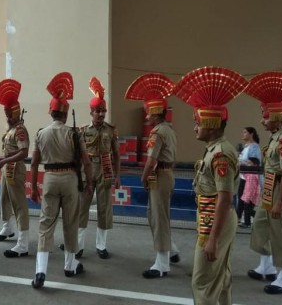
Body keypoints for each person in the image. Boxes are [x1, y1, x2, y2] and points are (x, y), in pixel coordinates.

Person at [174, 66, 247, 305]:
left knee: (203, 281)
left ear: (213, 125)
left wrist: (213, 238)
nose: (195, 127)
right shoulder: (215, 150)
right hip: (214, 217)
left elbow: (224, 199)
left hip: (215, 220)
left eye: (198, 122)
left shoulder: (221, 155)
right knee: (221, 279)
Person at [30, 72, 93, 289]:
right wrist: (90, 182)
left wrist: (33, 187)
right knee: (71, 223)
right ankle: (70, 265)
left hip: (49, 178)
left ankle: (40, 272)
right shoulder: (74, 134)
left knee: (46, 224)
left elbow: (34, 163)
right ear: (65, 115)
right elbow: (86, 162)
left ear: (51, 113)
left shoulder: (41, 133)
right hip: (70, 179)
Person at [244, 71, 282, 295]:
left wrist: (279, 201)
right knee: (261, 226)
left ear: (277, 118)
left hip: (280, 188)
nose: (262, 121)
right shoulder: (274, 138)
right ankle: (266, 266)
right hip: (269, 185)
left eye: (266, 117)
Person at [125, 73, 181, 277]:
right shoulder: (170, 130)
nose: (147, 116)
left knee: (158, 217)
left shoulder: (157, 132)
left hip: (159, 176)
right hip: (168, 174)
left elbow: (151, 159)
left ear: (156, 113)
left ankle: (162, 263)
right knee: (160, 215)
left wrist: (144, 177)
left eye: (149, 112)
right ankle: (171, 249)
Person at [71, 77, 119, 260]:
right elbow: (76, 155)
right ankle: (79, 245)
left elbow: (116, 154)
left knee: (104, 208)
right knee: (82, 207)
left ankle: (101, 246)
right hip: (87, 170)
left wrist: (118, 175)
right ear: (91, 112)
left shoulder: (111, 130)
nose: (101, 114)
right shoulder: (83, 130)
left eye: (103, 111)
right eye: (98, 111)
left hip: (106, 170)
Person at [0, 79, 30, 257]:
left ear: (16, 112)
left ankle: (23, 243)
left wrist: (3, 162)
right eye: (5, 112)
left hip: (15, 168)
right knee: (4, 199)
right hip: (7, 168)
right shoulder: (11, 129)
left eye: (9, 112)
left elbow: (23, 153)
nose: (7, 115)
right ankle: (7, 228)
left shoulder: (20, 130)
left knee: (19, 205)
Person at [236, 127, 262, 228]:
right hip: (243, 176)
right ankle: (238, 219)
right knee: (241, 198)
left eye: (245, 132)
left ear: (251, 134)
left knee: (247, 199)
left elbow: (254, 162)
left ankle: (248, 221)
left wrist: (241, 163)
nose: (243, 134)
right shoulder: (245, 147)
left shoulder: (254, 147)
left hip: (251, 177)